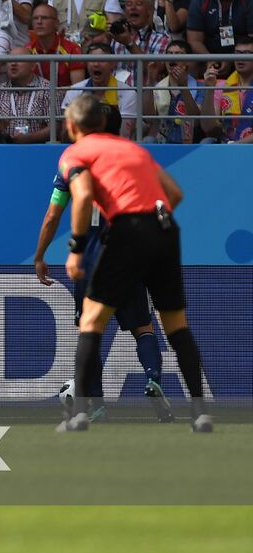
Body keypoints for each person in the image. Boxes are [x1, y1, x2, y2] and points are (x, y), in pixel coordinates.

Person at [56, 93, 212, 432]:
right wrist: (154, 217)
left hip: (124, 233)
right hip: (166, 232)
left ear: (72, 126)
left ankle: (82, 412)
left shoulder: (77, 152)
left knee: (92, 322)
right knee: (176, 327)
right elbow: (174, 194)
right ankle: (200, 413)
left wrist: (75, 247)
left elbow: (81, 197)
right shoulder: (136, 151)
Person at [35, 162, 171, 421]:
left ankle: (97, 407)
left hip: (88, 264)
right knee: (143, 329)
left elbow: (52, 216)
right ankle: (154, 378)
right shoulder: (127, 164)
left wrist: (40, 255)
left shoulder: (71, 168)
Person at [62, 40, 138, 138]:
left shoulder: (128, 93)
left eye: (102, 60)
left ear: (113, 63)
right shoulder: (74, 92)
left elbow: (124, 134)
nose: (96, 64)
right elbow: (66, 132)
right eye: (92, 60)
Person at [0, 47, 53, 143]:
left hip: (38, 150)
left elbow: (55, 127)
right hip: (6, 150)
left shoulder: (47, 89)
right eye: (10, 60)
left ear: (32, 65)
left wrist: (29, 138)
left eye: (19, 60)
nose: (13, 64)